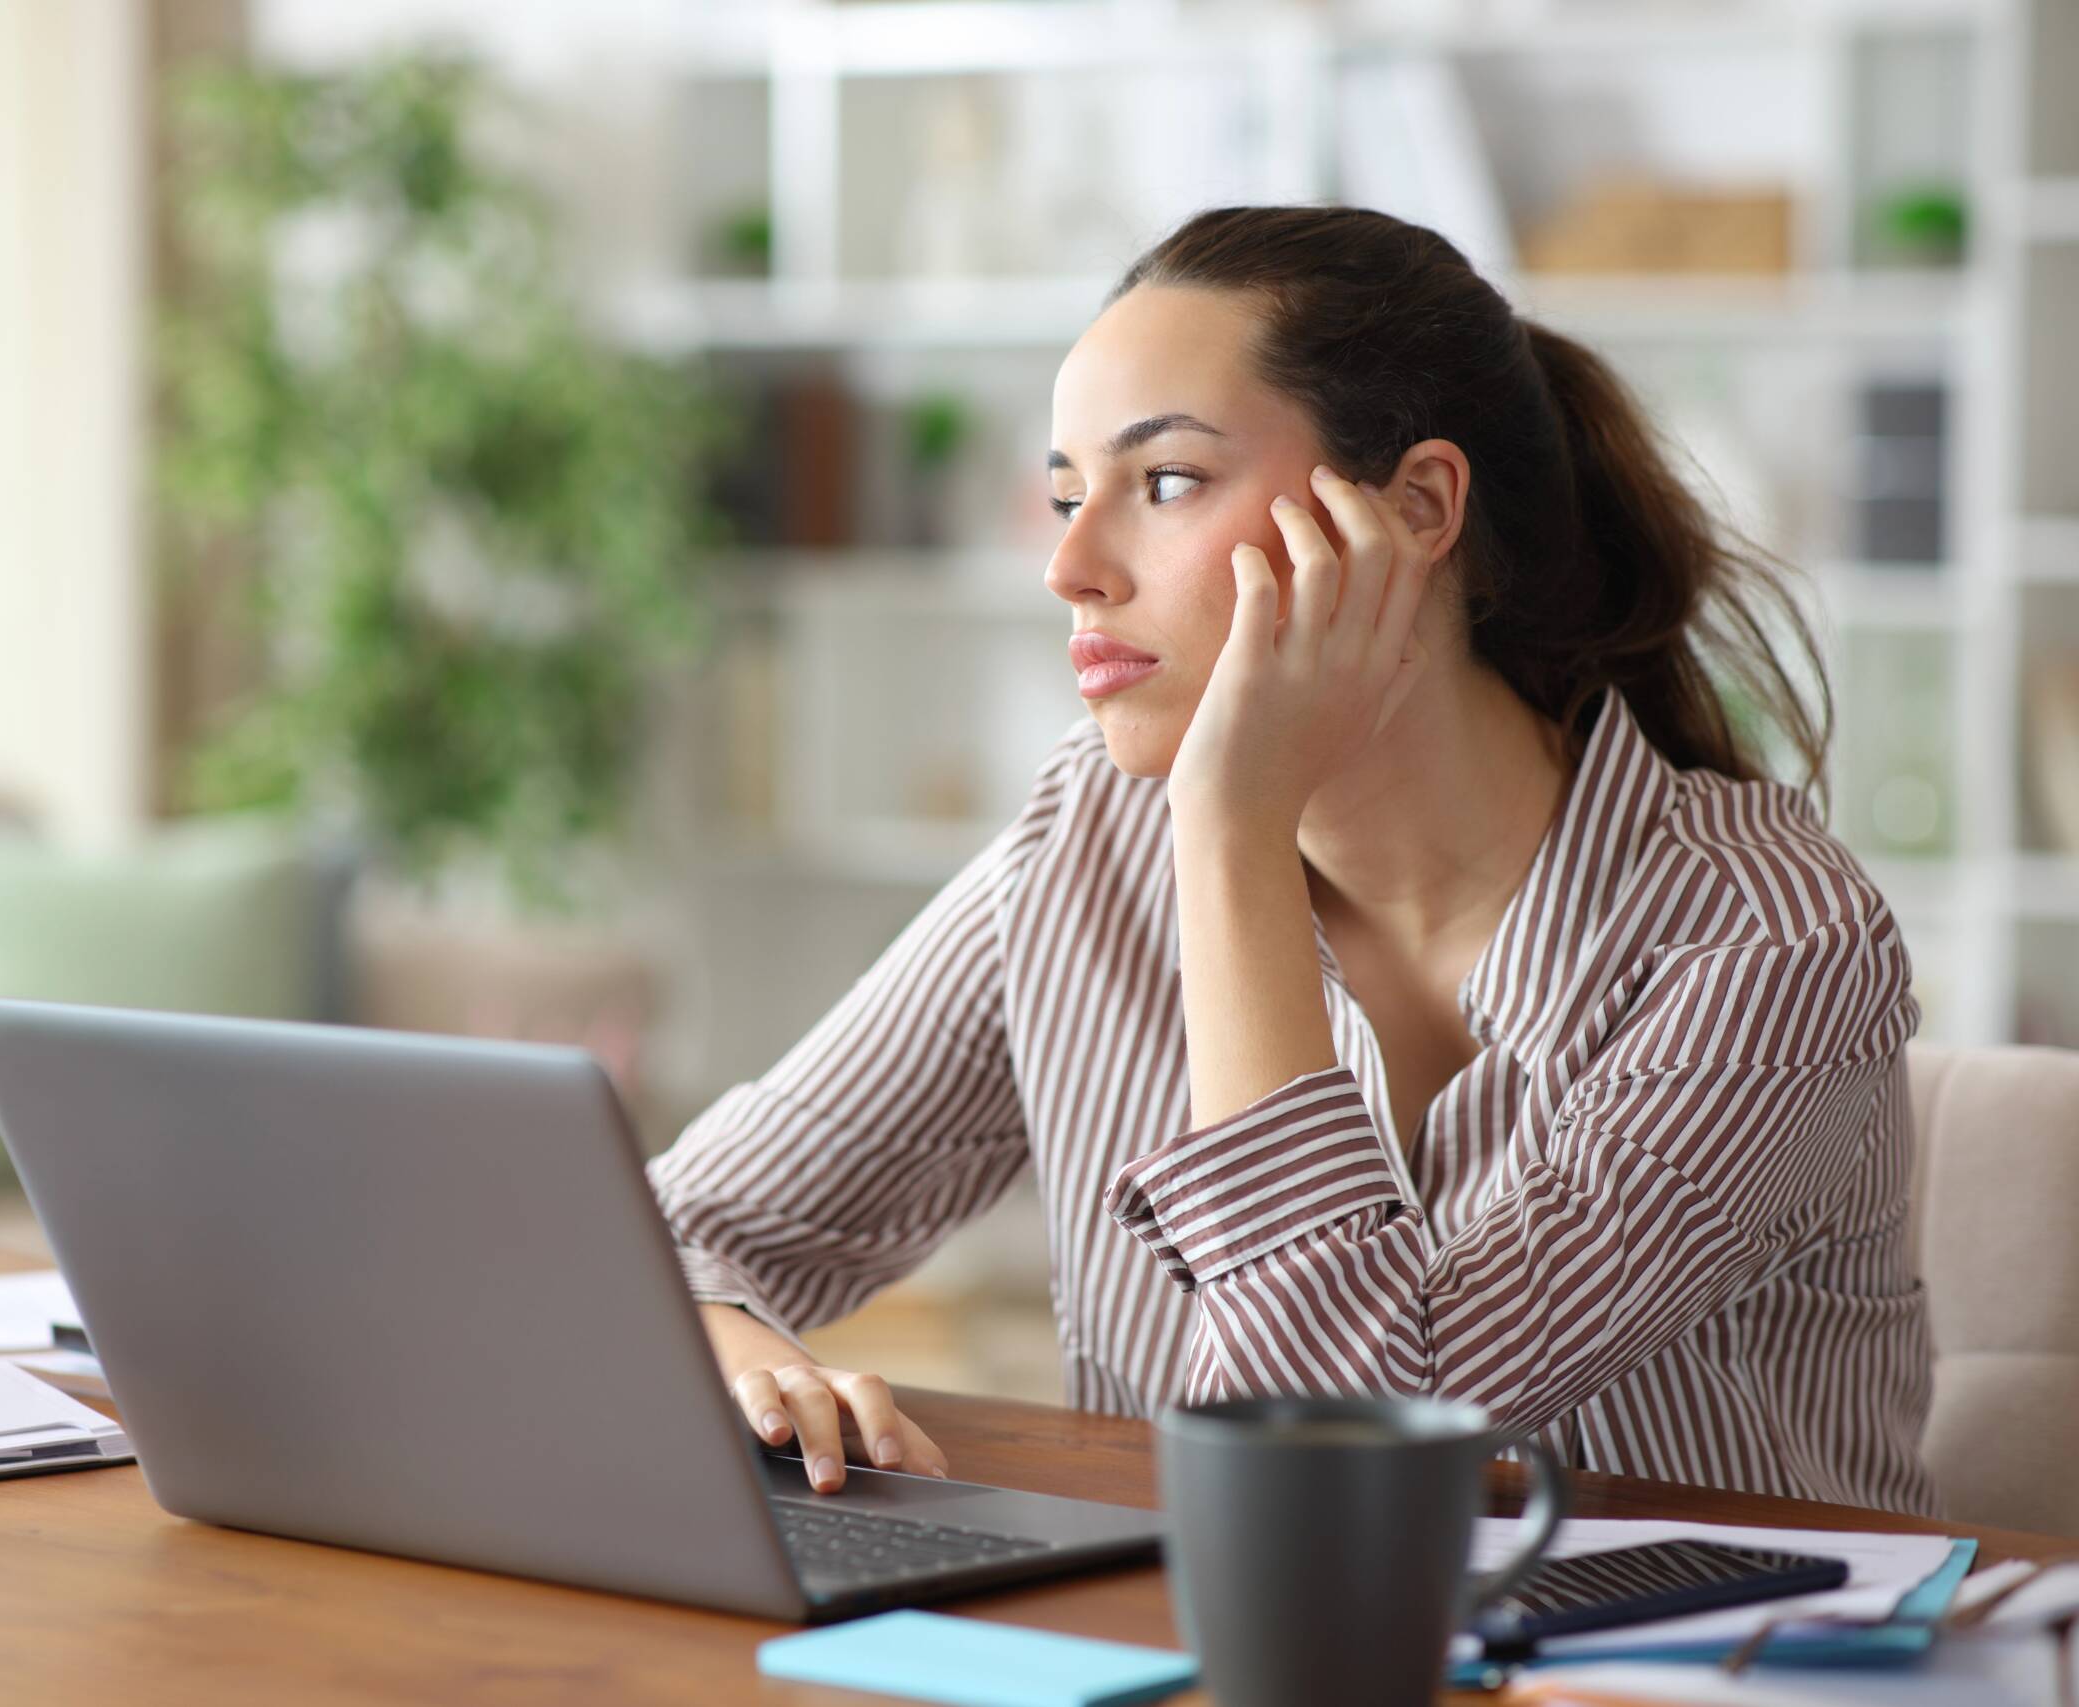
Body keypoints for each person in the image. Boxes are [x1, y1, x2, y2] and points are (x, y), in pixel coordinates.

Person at [648, 204, 1938, 1517]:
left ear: (1419, 506)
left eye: (1164, 483)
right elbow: (660, 1241)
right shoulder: (1084, 851)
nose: (1070, 568)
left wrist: (1229, 829)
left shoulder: (1770, 936)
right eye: (1061, 496)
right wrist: (745, 1357)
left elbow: (1330, 1439)